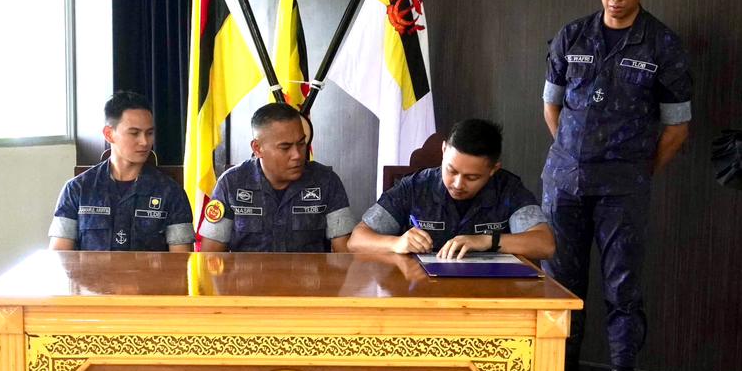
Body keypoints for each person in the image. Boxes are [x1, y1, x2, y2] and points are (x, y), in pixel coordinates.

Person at [540, 0, 693, 371]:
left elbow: (677, 128)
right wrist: (573, 156)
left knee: (622, 292)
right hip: (564, 184)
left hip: (624, 188)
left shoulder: (663, 45)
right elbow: (552, 107)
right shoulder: (572, 35)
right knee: (560, 288)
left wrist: (637, 172)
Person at [348, 118, 555, 261]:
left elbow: (545, 245)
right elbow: (357, 240)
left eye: (471, 177)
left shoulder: (508, 189)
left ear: (493, 169)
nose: (457, 184)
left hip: (489, 293)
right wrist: (396, 243)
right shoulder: (415, 187)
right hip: (421, 291)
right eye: (451, 171)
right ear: (444, 150)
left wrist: (487, 241)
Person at [199, 103, 354, 252]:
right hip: (248, 271)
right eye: (285, 147)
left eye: (301, 144)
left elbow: (345, 254)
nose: (297, 155)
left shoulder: (326, 181)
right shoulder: (231, 184)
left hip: (308, 271)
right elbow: (211, 257)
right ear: (257, 148)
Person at [48, 92, 193, 252]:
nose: (145, 142)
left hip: (149, 270)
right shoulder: (77, 189)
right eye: (134, 133)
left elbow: (181, 260)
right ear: (109, 134)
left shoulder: (170, 192)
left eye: (149, 133)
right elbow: (60, 256)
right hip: (92, 270)